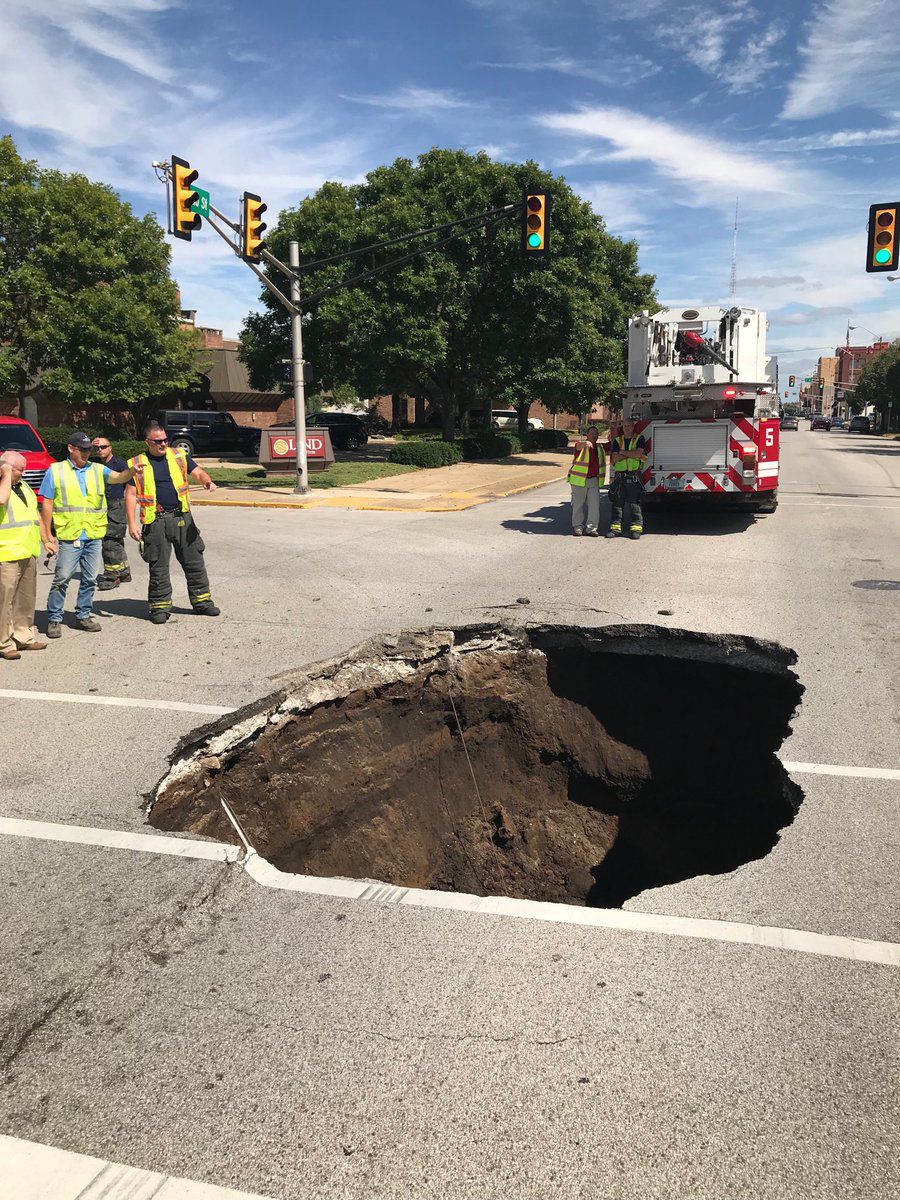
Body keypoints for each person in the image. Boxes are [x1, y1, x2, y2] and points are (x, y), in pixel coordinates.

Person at [39, 431, 142, 637]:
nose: (87, 454)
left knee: (89, 578)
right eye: (82, 450)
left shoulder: (97, 469)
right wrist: (47, 536)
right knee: (62, 577)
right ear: (71, 448)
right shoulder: (56, 470)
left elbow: (119, 477)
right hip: (70, 534)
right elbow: (47, 504)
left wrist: (131, 471)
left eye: (89, 450)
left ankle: (83, 615)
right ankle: (54, 618)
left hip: (94, 533)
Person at [125, 423, 220, 625]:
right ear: (147, 442)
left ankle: (202, 602)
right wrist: (131, 523)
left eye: (165, 440)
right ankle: (159, 607)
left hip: (182, 518)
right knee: (158, 566)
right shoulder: (137, 463)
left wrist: (207, 482)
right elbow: (131, 494)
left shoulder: (178, 456)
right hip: (155, 521)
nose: (163, 444)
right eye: (158, 441)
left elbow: (198, 472)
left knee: (194, 561)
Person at [0, 452, 51, 659]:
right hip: (6, 553)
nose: (24, 472)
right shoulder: (3, 486)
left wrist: (46, 539)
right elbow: (2, 500)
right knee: (5, 601)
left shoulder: (24, 486)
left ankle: (24, 637)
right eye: (20, 469)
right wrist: (4, 474)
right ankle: (4, 643)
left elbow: (35, 515)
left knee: (25, 599)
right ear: (6, 468)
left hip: (28, 551)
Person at [91, 435, 132, 591]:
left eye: (103, 447)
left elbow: (130, 486)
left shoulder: (120, 464)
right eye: (97, 448)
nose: (99, 450)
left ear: (110, 448)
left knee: (109, 541)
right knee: (116, 541)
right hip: (102, 505)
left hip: (116, 505)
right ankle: (124, 571)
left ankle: (112, 575)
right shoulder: (94, 465)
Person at [607, 417, 648, 540]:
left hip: (634, 477)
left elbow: (638, 454)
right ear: (622, 427)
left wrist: (623, 452)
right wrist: (630, 453)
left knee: (634, 504)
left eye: (629, 425)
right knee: (617, 504)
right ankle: (615, 529)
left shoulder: (639, 438)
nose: (627, 428)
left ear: (633, 426)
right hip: (620, 477)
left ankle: (636, 530)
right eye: (625, 426)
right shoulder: (617, 440)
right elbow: (615, 458)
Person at [567, 426, 606, 536]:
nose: (594, 435)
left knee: (594, 506)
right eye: (592, 433)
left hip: (593, 481)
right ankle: (578, 527)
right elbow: (578, 446)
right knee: (577, 506)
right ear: (587, 436)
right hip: (579, 481)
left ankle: (592, 528)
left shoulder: (599, 447)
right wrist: (585, 444)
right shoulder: (580, 445)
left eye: (596, 434)